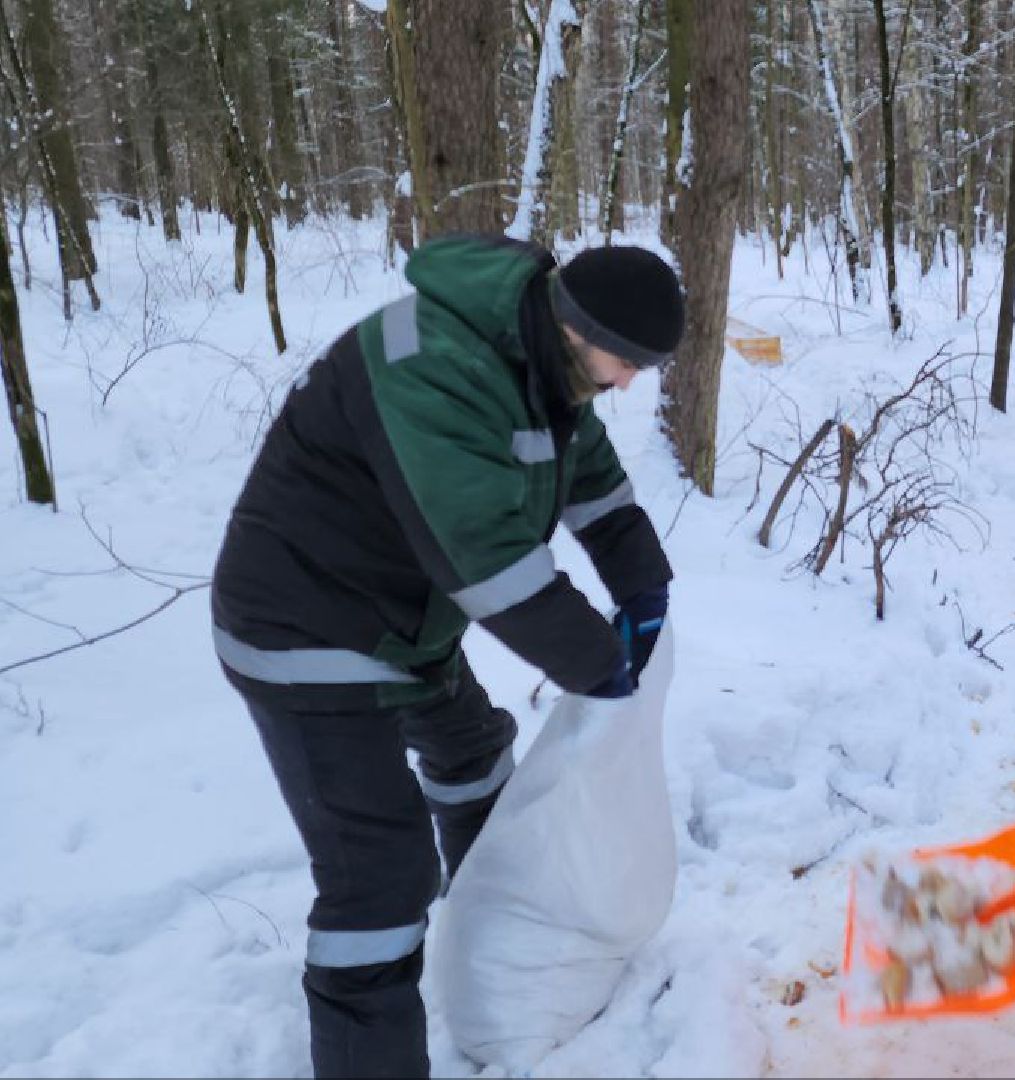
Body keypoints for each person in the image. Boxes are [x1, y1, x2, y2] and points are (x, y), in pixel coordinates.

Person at [211, 233, 682, 1077]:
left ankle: (491, 942)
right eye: (626, 363)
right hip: (305, 628)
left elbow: (594, 485)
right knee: (379, 879)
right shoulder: (432, 367)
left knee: (473, 755)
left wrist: (643, 587)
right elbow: (489, 561)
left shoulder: (544, 366)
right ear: (575, 327)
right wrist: (598, 666)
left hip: (401, 620)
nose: (627, 383)